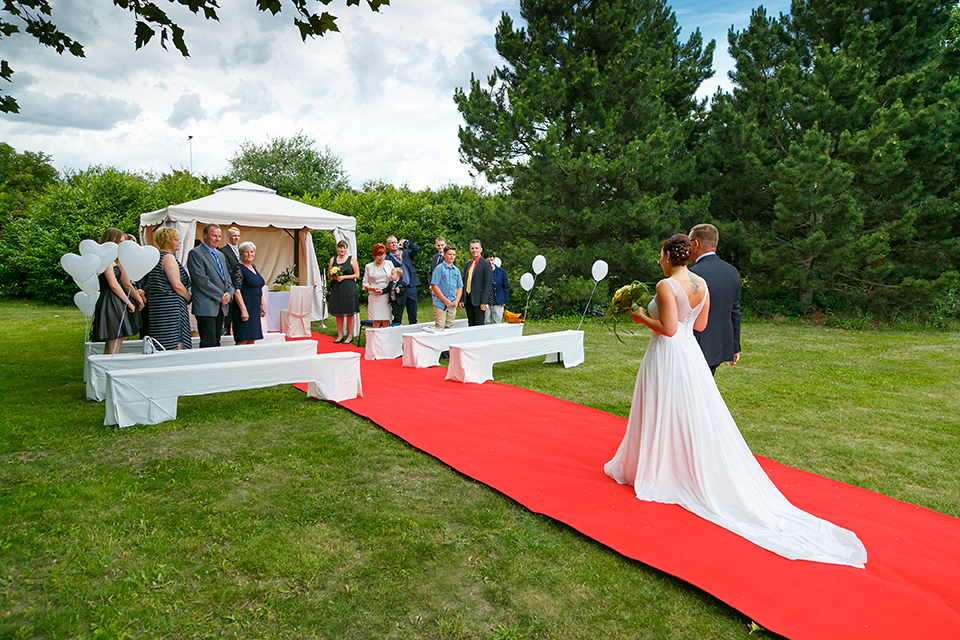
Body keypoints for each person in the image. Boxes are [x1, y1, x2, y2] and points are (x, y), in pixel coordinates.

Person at [603, 234, 867, 568]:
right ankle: (675, 463)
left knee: (662, 409)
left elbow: (667, 330)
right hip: (692, 357)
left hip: (668, 356)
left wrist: (640, 316)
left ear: (669, 255)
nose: (659, 259)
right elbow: (697, 324)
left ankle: (660, 467)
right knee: (688, 413)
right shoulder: (702, 284)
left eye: (661, 254)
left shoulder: (665, 286)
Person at [689, 223, 741, 376]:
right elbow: (735, 311)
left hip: (694, 344)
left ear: (696, 244)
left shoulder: (692, 275)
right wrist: (734, 345)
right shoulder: (732, 272)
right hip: (718, 345)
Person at [89, 227, 144, 354]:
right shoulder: (106, 259)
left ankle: (109, 369)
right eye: (120, 242)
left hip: (116, 300)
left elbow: (126, 283)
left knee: (119, 339)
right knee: (113, 341)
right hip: (110, 301)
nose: (122, 245)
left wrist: (137, 299)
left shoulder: (115, 260)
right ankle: (107, 371)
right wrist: (129, 302)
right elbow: (113, 284)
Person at [186, 223, 234, 348]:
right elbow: (201, 281)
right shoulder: (195, 253)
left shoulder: (220, 255)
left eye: (219, 236)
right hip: (206, 306)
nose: (217, 239)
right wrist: (221, 297)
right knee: (208, 343)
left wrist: (229, 293)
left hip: (220, 306)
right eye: (214, 236)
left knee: (217, 342)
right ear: (204, 235)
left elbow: (227, 277)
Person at [144, 227, 192, 350]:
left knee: (161, 341)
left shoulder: (154, 257)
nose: (179, 242)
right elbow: (176, 284)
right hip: (170, 307)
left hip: (157, 306)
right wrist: (188, 297)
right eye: (176, 239)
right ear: (168, 241)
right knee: (174, 341)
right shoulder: (168, 258)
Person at [229, 241, 266, 344]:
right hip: (243, 308)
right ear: (241, 253)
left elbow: (258, 286)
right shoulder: (238, 268)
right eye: (246, 252)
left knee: (252, 338)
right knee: (243, 338)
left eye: (252, 252)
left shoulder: (253, 267)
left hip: (254, 308)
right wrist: (243, 310)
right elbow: (236, 291)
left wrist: (262, 304)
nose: (249, 254)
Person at [327, 239, 361, 343]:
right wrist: (334, 276)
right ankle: (339, 335)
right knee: (338, 312)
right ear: (337, 248)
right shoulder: (333, 260)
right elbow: (329, 275)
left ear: (346, 249)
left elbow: (357, 275)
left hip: (349, 288)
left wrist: (344, 277)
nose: (342, 249)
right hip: (337, 288)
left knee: (349, 312)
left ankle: (350, 335)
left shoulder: (351, 259)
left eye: (344, 248)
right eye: (340, 247)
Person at [385, 235, 420, 324]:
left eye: (395, 242)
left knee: (413, 314)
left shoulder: (405, 253)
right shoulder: (387, 260)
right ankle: (396, 333)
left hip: (411, 287)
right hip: (399, 290)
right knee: (397, 315)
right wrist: (399, 260)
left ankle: (413, 333)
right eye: (391, 243)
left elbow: (416, 250)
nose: (393, 244)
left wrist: (407, 243)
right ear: (387, 246)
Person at [459, 239, 492, 326]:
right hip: (468, 298)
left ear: (480, 249)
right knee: (471, 323)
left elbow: (487, 284)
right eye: (472, 248)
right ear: (470, 250)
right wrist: (461, 299)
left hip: (479, 299)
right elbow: (463, 282)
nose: (474, 250)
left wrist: (484, 302)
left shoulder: (485, 264)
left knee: (479, 324)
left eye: (476, 248)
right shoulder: (467, 264)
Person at [430, 246, 462, 329]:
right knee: (440, 325)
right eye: (449, 254)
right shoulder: (439, 269)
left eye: (454, 255)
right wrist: (444, 300)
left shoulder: (456, 270)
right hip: (440, 303)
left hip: (452, 303)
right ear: (444, 255)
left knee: (449, 326)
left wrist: (457, 300)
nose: (452, 256)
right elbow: (434, 285)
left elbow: (459, 287)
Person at [362, 243, 393, 328]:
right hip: (374, 296)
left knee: (386, 320)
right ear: (374, 256)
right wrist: (374, 288)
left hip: (386, 295)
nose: (381, 259)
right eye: (378, 257)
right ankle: (375, 340)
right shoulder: (369, 266)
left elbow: (393, 278)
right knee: (376, 321)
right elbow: (365, 283)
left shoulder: (389, 264)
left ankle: (386, 340)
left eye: (383, 256)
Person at [221, 227, 242, 335]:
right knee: (229, 312)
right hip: (231, 285)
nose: (236, 238)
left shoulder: (242, 250)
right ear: (229, 236)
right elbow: (227, 269)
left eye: (238, 236)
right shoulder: (223, 251)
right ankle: (227, 332)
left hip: (242, 286)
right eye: (234, 235)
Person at [484, 251, 510, 324]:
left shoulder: (501, 272)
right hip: (486, 302)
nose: (490, 262)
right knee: (486, 322)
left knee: (497, 323)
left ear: (494, 260)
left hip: (498, 301)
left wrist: (504, 300)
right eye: (488, 260)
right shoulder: (482, 272)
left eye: (491, 260)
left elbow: (506, 286)